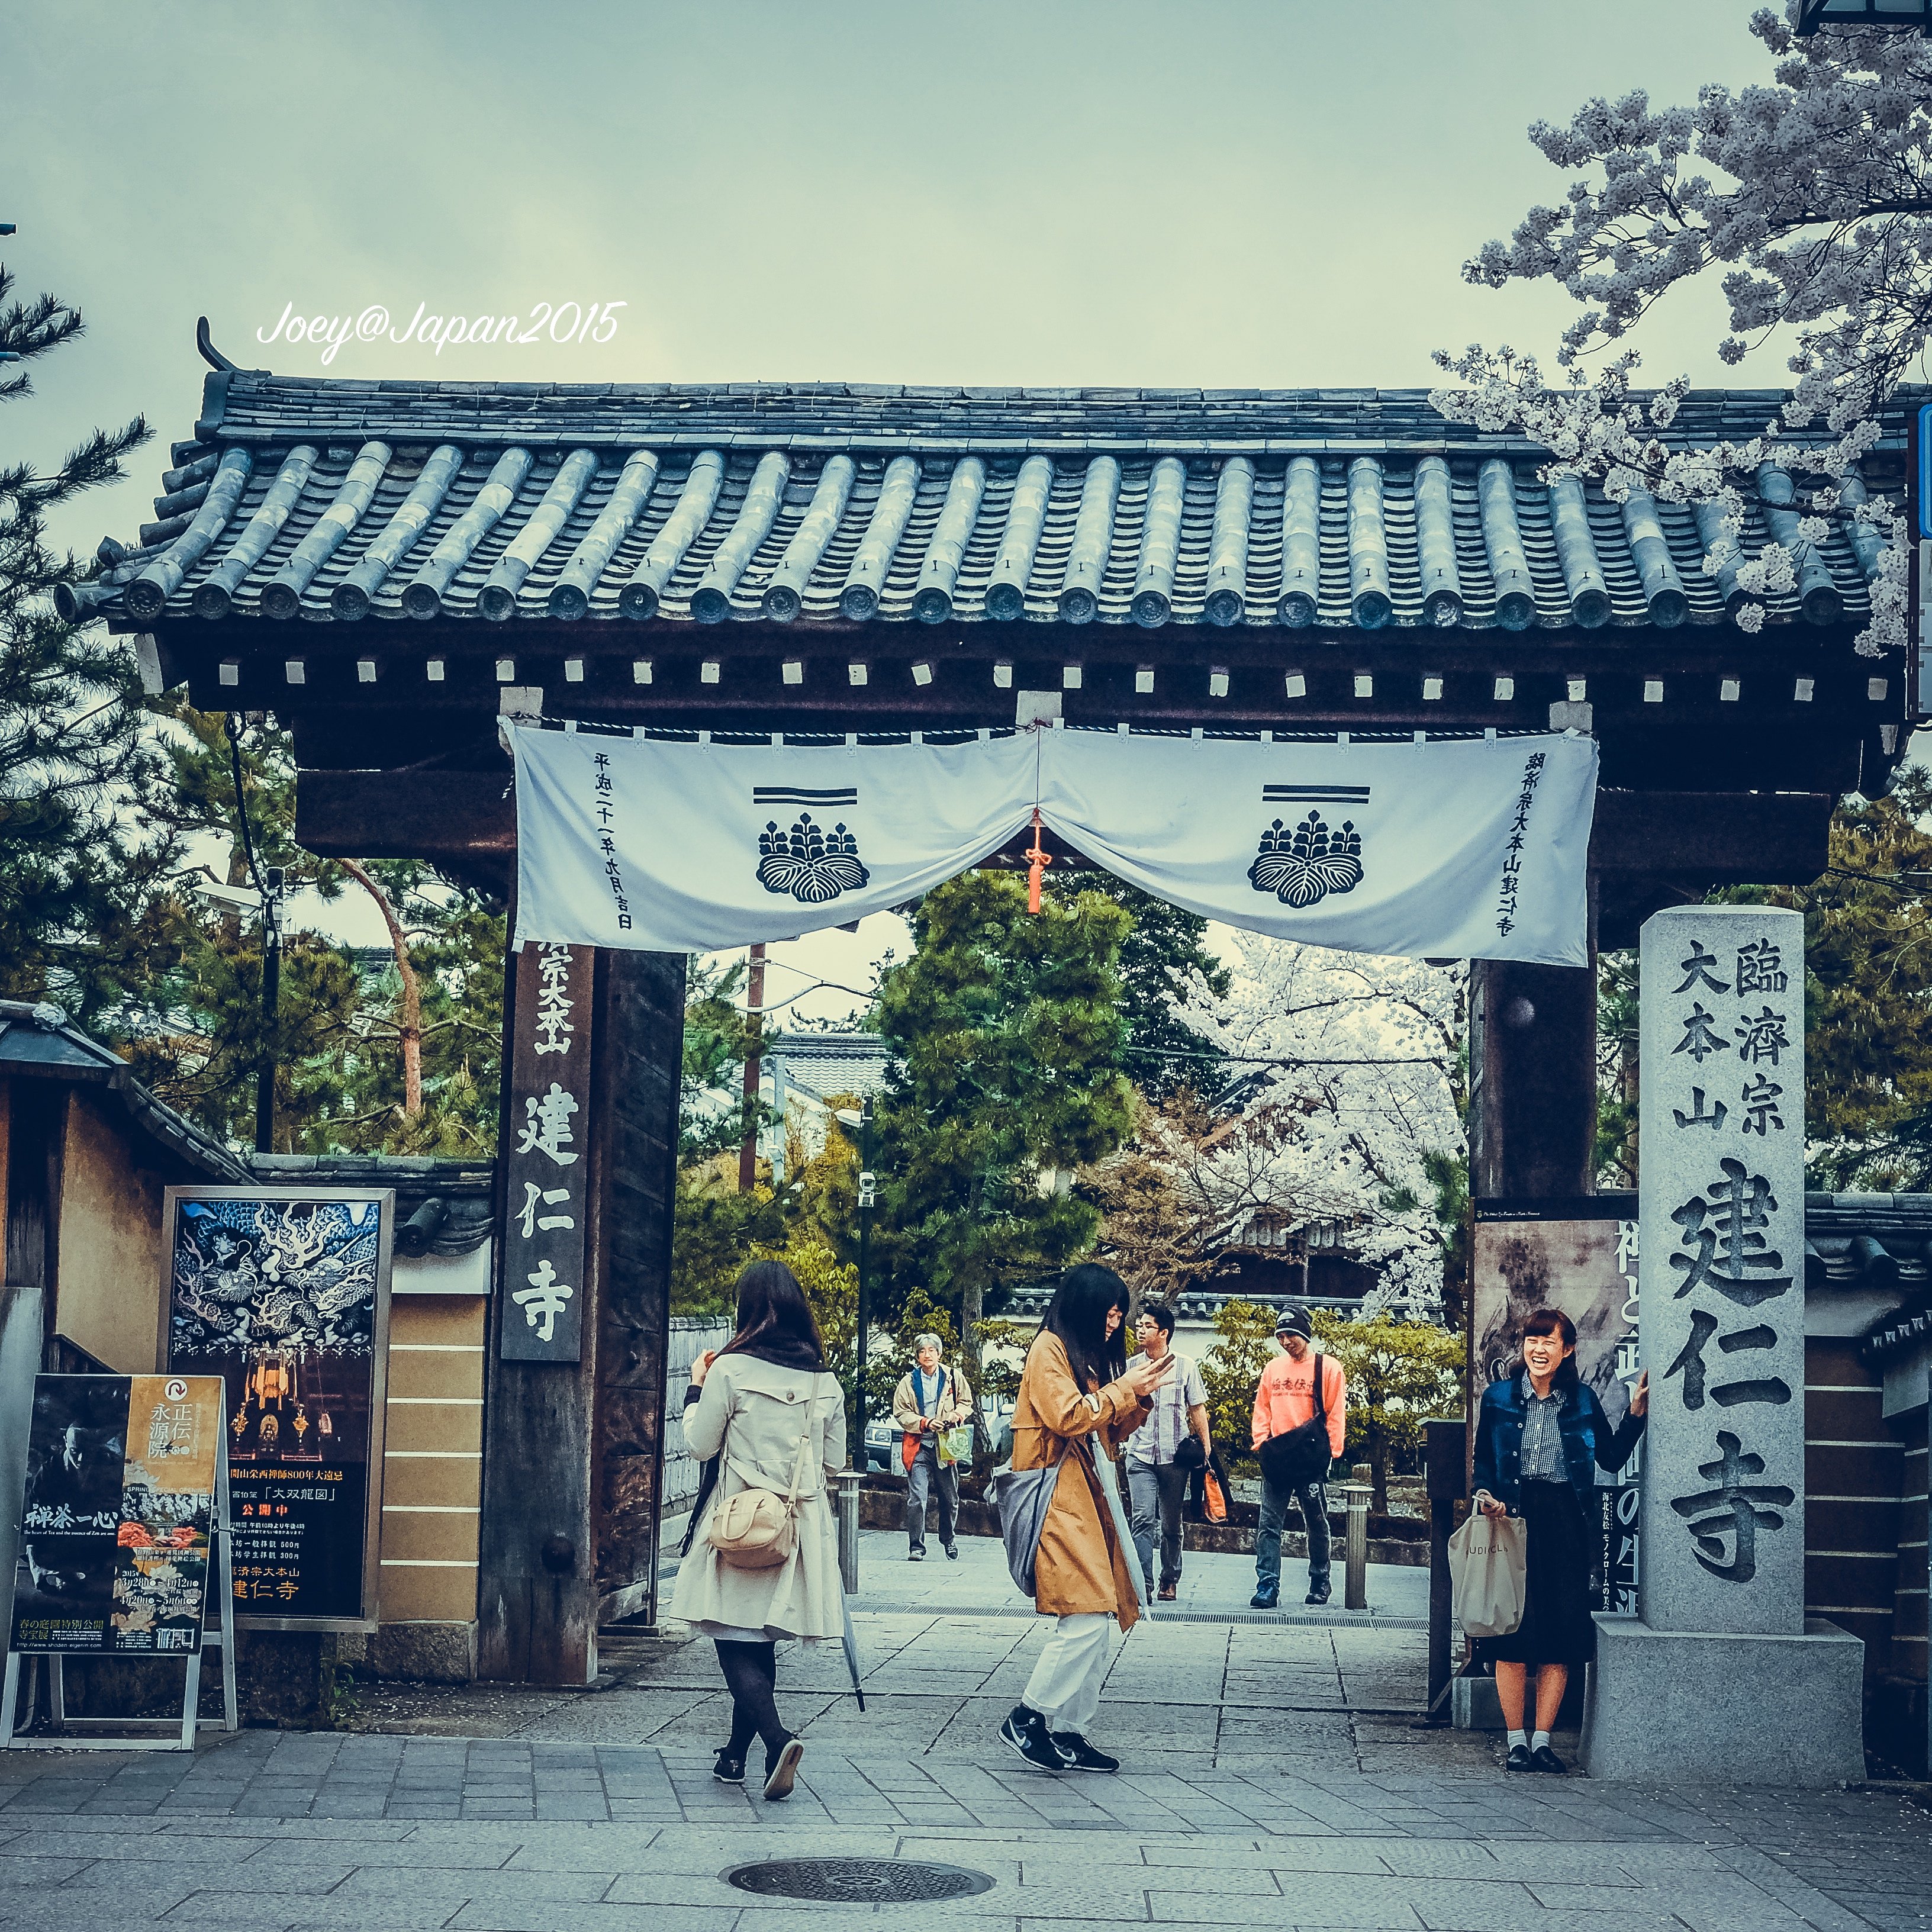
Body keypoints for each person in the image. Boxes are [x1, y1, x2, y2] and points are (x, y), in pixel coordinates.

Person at [671, 1260, 848, 1801]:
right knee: (756, 1638)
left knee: (733, 1639)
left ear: (746, 1310)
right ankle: (733, 1756)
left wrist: (696, 1388)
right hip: (793, 1532)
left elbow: (700, 1446)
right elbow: (835, 1461)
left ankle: (776, 1741)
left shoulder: (729, 1371)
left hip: (741, 1524)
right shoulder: (825, 1381)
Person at [999, 1263, 1173, 1776]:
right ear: (1084, 1305)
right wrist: (1124, 1391)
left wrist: (1137, 1395)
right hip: (1056, 1498)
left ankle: (1070, 1732)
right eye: (1109, 1312)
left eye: (1122, 1315)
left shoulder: (1084, 1357)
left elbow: (1106, 1435)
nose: (1115, 1324)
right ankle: (1028, 1717)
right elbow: (1069, 1416)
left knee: (1104, 1614)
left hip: (1088, 1498)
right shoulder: (1049, 1349)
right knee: (1091, 1616)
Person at [1472, 1306, 1648, 1775]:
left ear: (1567, 1350)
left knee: (1559, 1634)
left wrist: (1634, 1417)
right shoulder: (1498, 1399)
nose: (1539, 1349)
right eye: (1532, 1340)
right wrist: (1488, 1499)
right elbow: (1483, 1469)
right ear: (1523, 1346)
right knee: (1512, 1631)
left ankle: (1544, 1741)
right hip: (1513, 1520)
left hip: (1567, 1524)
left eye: (1550, 1341)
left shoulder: (1582, 1401)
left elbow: (1610, 1459)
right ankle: (1515, 1742)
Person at [1250, 1305, 1347, 1609]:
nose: (1286, 1340)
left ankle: (1320, 1579)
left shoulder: (1327, 1368)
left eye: (1291, 1333)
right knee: (1269, 1523)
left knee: (1316, 1521)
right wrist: (1261, 1442)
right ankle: (1267, 1584)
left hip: (1309, 1457)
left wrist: (1332, 1452)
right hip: (1277, 1455)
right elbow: (1262, 1407)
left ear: (1305, 1333)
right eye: (1281, 1335)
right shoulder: (1273, 1369)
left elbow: (1335, 1413)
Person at [1125, 1301, 1211, 1603]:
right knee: (1143, 1520)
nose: (1141, 1329)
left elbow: (1197, 1409)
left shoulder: (1185, 1365)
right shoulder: (1131, 1367)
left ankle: (1169, 1578)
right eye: (1140, 1324)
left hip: (1175, 1457)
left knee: (1172, 1523)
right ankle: (1142, 1583)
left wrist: (1206, 1448)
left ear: (1163, 1333)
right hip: (1139, 1454)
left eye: (1148, 1326)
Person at [891, 1332, 973, 1561]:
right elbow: (901, 1412)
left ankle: (948, 1538)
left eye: (931, 1350)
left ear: (939, 1353)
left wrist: (957, 1414)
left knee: (950, 1497)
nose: (927, 1355)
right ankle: (916, 1546)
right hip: (918, 1445)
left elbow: (967, 1403)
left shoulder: (953, 1377)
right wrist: (924, 1422)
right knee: (917, 1498)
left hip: (946, 1445)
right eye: (922, 1351)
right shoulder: (908, 1382)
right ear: (917, 1356)